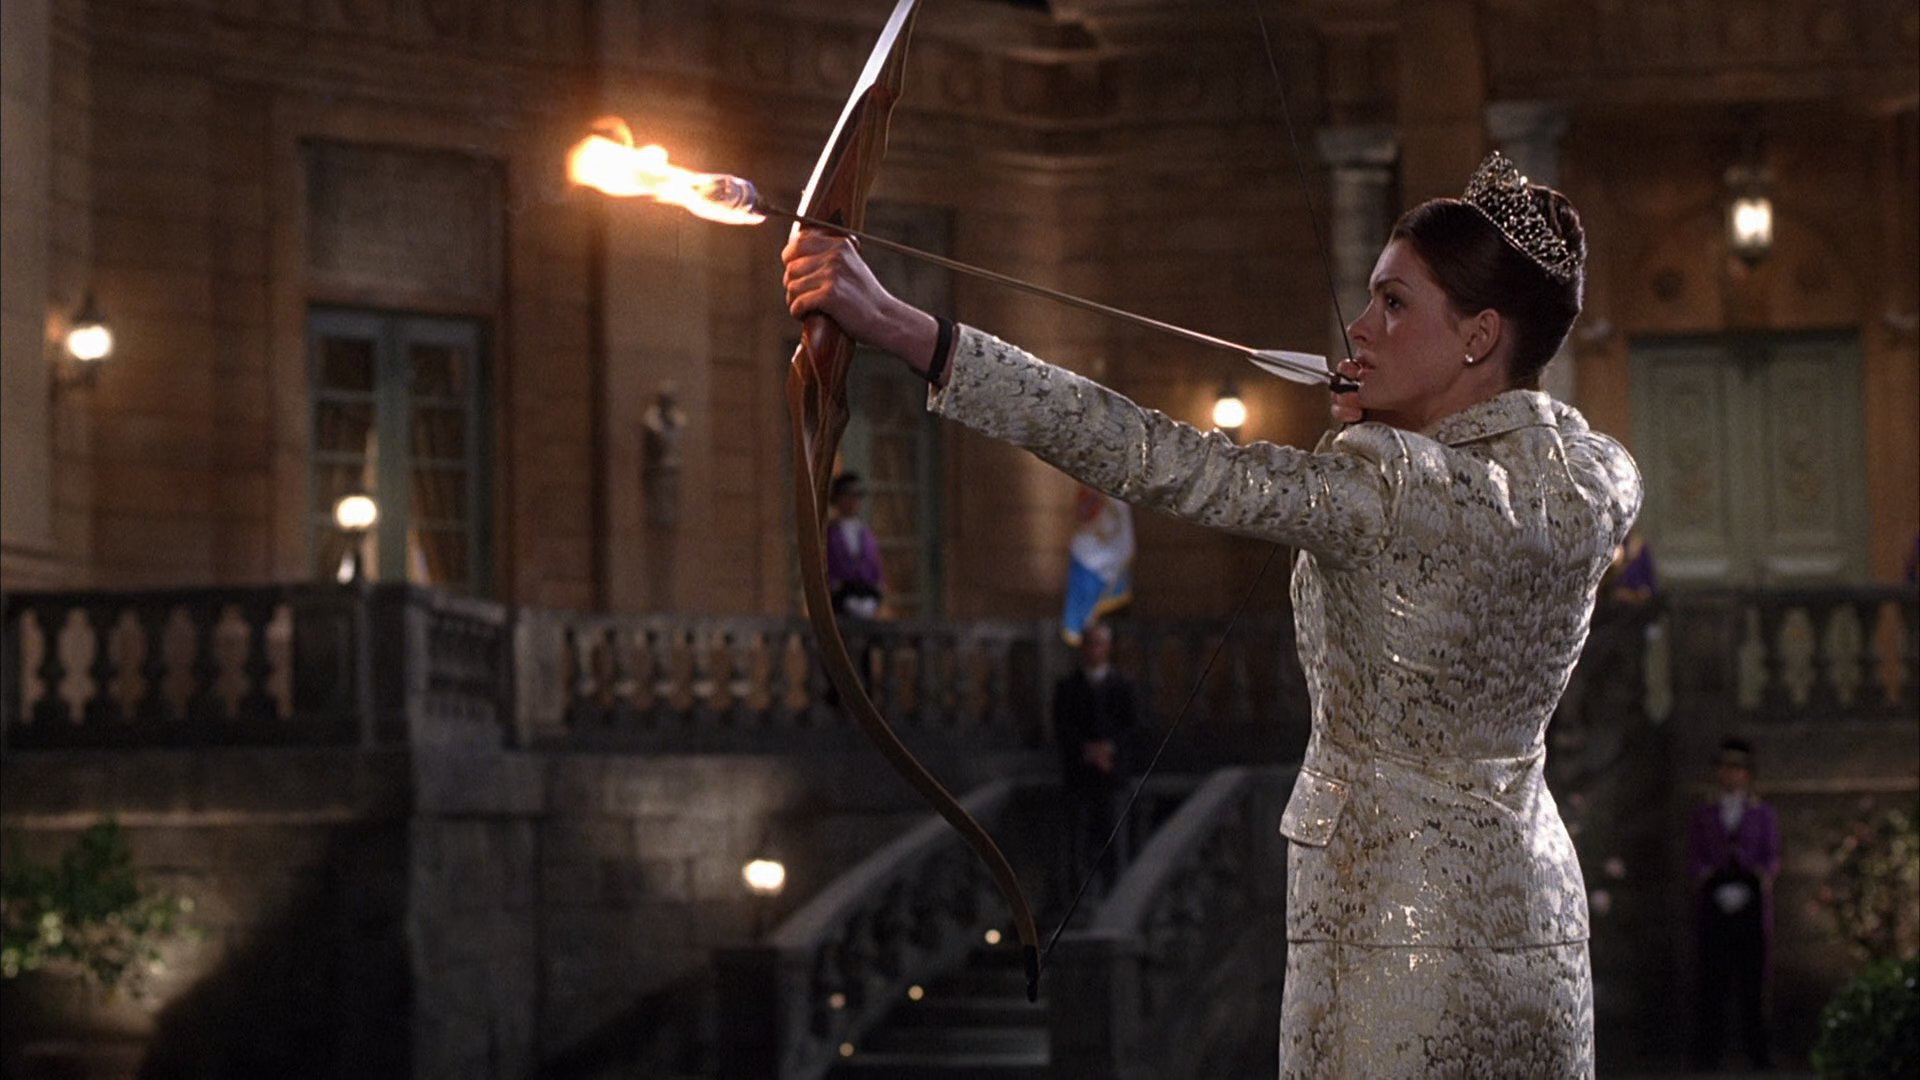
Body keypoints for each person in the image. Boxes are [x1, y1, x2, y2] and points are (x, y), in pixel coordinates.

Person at [784, 150, 1640, 1076]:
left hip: (1395, 929)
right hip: (1537, 915)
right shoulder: (1599, 478)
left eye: (1394, 303)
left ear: (1479, 336)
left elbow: (1157, 457)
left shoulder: (1385, 481)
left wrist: (907, 329)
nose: (1359, 328)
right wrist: (1399, 430)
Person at [1686, 738, 1780, 1072]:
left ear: (1748, 774)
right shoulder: (1704, 812)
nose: (1731, 774)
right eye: (1726, 768)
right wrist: (1707, 879)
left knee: (1752, 981)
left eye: (1738, 769)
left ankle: (1758, 1053)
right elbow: (1695, 855)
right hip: (1714, 900)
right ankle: (1708, 1054)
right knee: (1712, 979)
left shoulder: (1762, 813)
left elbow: (1771, 856)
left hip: (1750, 900)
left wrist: (1758, 880)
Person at [1052, 621, 1142, 901]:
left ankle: (1116, 898)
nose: (1094, 650)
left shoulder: (1124, 686)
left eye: (1099, 644)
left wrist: (1108, 750)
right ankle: (1080, 901)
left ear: (1108, 648)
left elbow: (1133, 727)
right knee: (1078, 844)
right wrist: (1088, 751)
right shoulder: (1068, 687)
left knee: (1115, 841)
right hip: (1080, 777)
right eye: (1090, 644)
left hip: (1113, 776)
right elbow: (1062, 728)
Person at [825, 472, 886, 619]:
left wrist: (876, 593)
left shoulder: (866, 534)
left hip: (867, 597)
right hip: (840, 600)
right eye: (848, 495)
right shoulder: (830, 534)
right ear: (838, 498)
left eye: (857, 496)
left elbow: (875, 568)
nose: (853, 501)